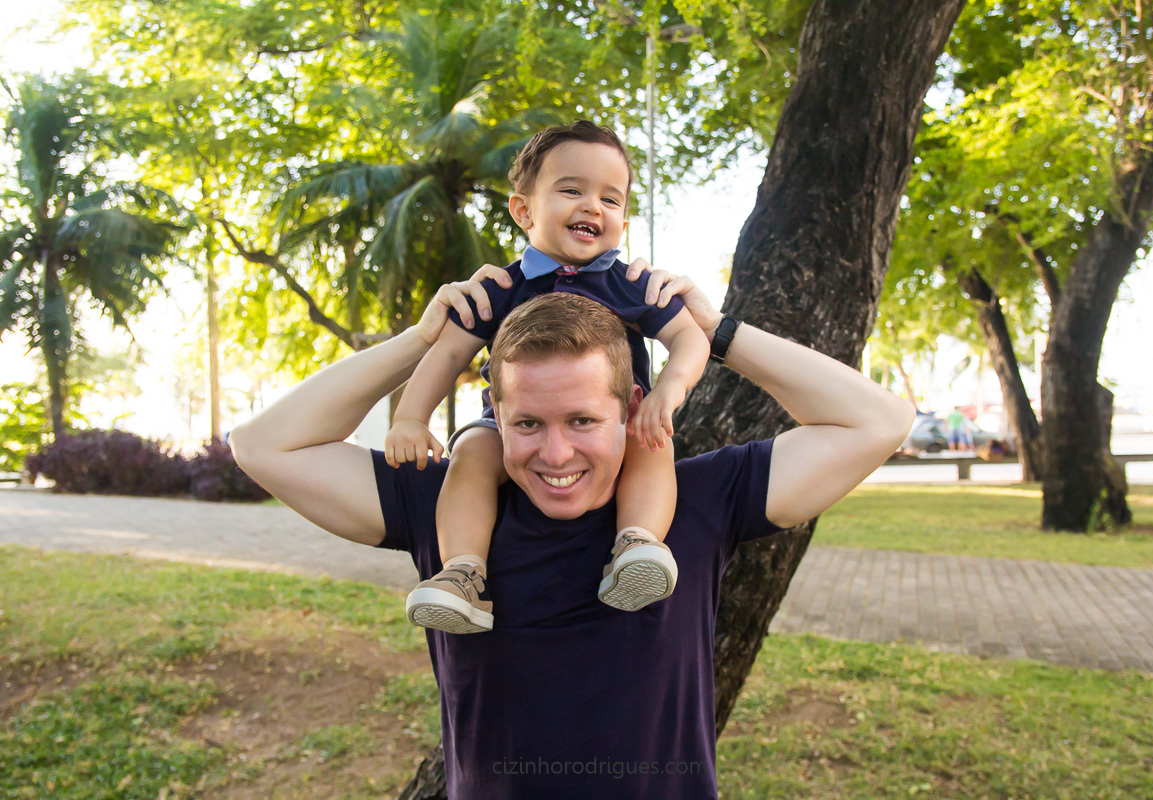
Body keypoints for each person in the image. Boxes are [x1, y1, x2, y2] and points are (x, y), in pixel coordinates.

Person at [229, 263, 915, 800]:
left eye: (582, 421)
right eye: (527, 424)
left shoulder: (697, 500)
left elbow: (879, 421)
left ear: (632, 407)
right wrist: (420, 342)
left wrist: (719, 331)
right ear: (497, 416)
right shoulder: (445, 506)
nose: (555, 455)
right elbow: (264, 446)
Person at [383, 121, 710, 634]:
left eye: (611, 198)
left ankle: (638, 543)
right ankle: (463, 574)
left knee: (652, 438)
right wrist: (409, 416)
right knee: (470, 451)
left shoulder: (632, 285)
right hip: (516, 427)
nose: (592, 207)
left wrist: (669, 388)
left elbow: (692, 338)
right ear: (524, 210)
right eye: (572, 190)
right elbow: (447, 355)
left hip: (610, 425)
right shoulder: (499, 287)